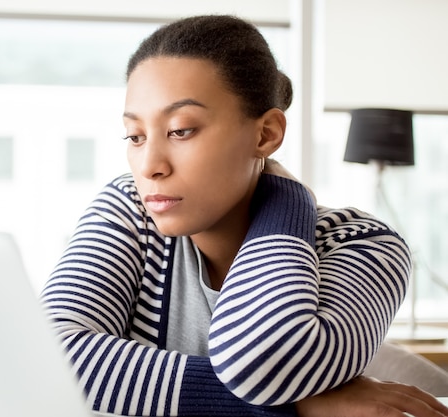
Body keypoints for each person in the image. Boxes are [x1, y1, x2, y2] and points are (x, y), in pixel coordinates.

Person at [41, 14, 448, 417]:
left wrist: (289, 198)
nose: (149, 165)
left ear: (266, 133)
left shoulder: (364, 245)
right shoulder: (131, 209)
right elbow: (49, 361)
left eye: (181, 130)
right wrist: (298, 406)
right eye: (135, 136)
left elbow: (262, 364)